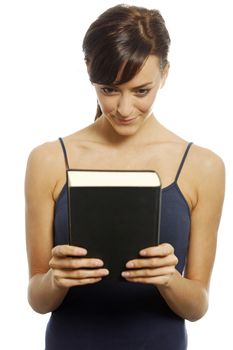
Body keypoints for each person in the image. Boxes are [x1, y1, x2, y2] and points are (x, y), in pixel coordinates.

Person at [25, 4, 225, 350]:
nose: (124, 108)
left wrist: (168, 280)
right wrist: (57, 280)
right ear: (89, 71)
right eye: (109, 89)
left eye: (141, 91)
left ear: (165, 73)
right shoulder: (48, 160)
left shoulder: (203, 167)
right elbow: (38, 300)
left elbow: (197, 306)